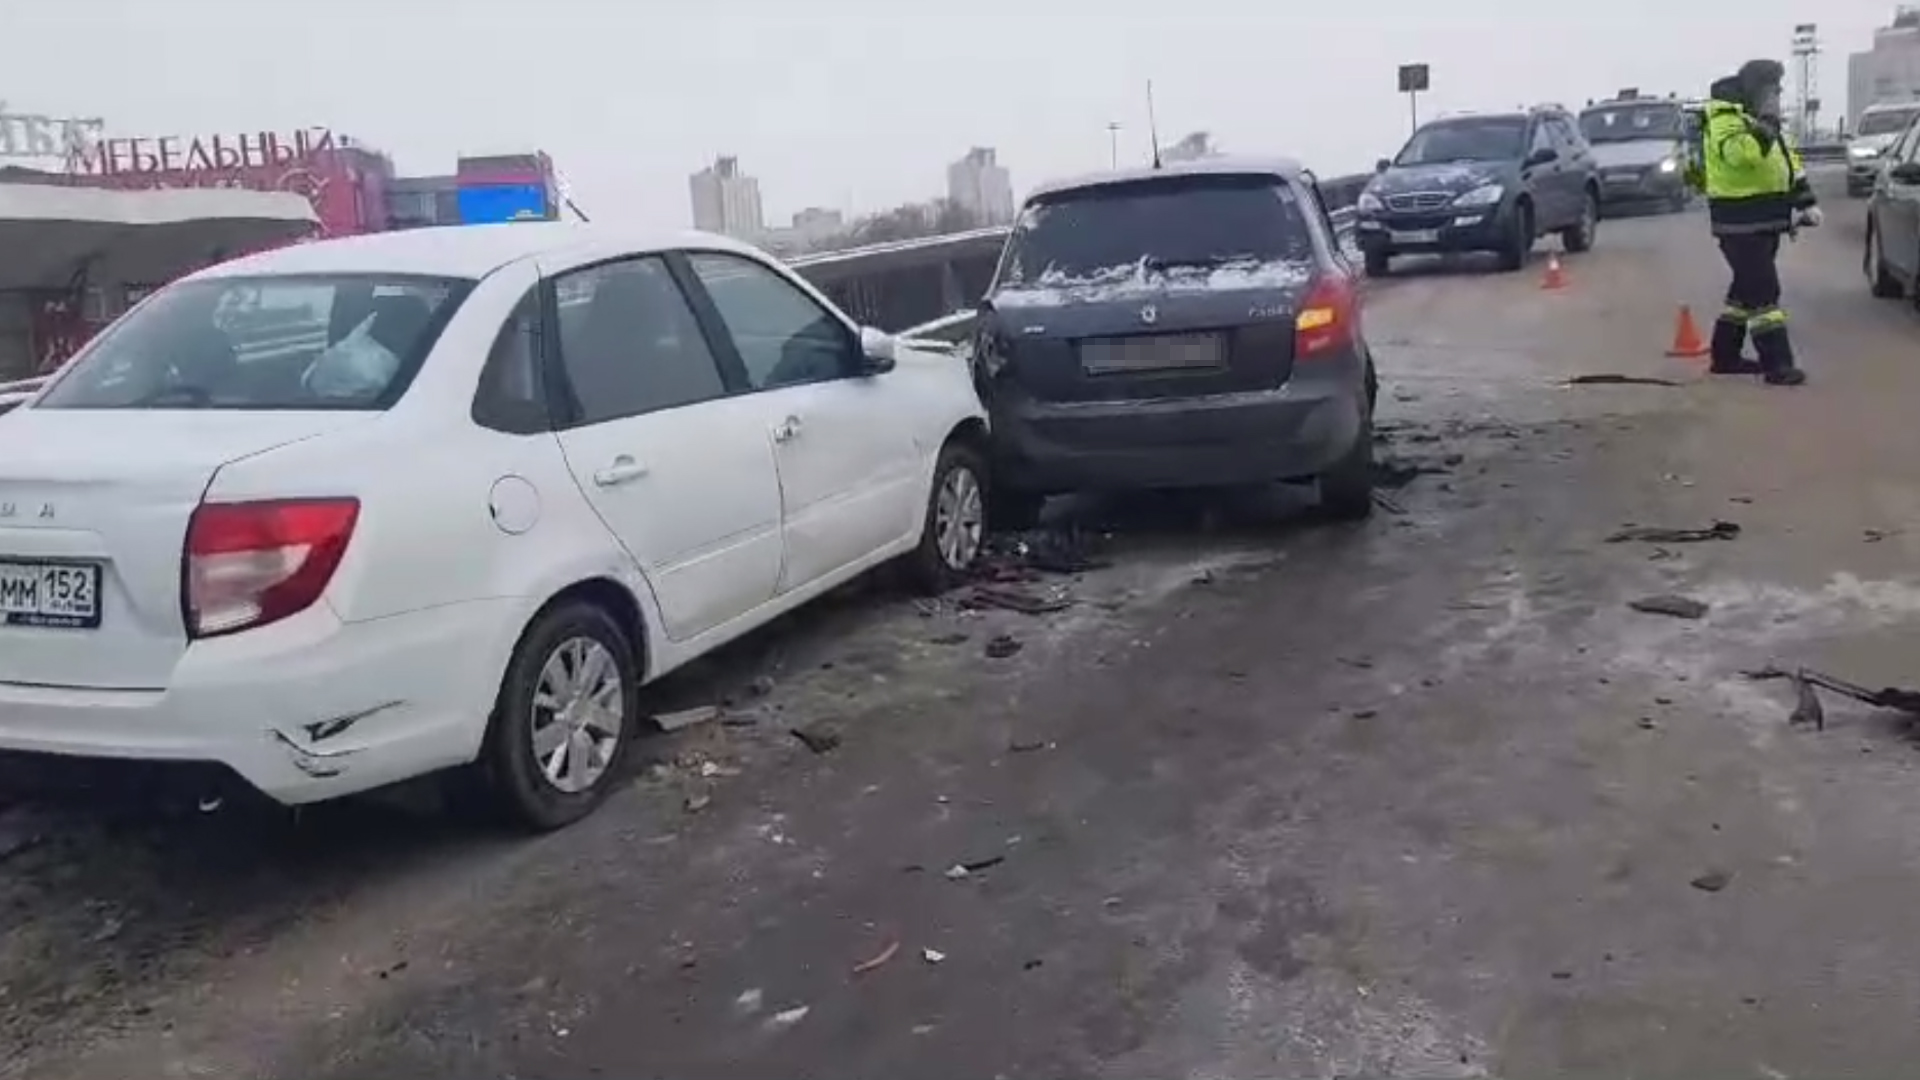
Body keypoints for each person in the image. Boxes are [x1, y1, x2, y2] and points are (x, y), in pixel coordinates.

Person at [1701, 59, 1821, 385]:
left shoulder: (1760, 119)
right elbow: (1745, 156)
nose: (1777, 95)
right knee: (1765, 291)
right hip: (1738, 224)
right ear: (1755, 88)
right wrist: (1766, 123)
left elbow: (1787, 161)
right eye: (1772, 89)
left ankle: (1724, 357)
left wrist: (1805, 201)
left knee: (1744, 291)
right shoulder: (1724, 119)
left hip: (1767, 221)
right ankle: (1778, 365)